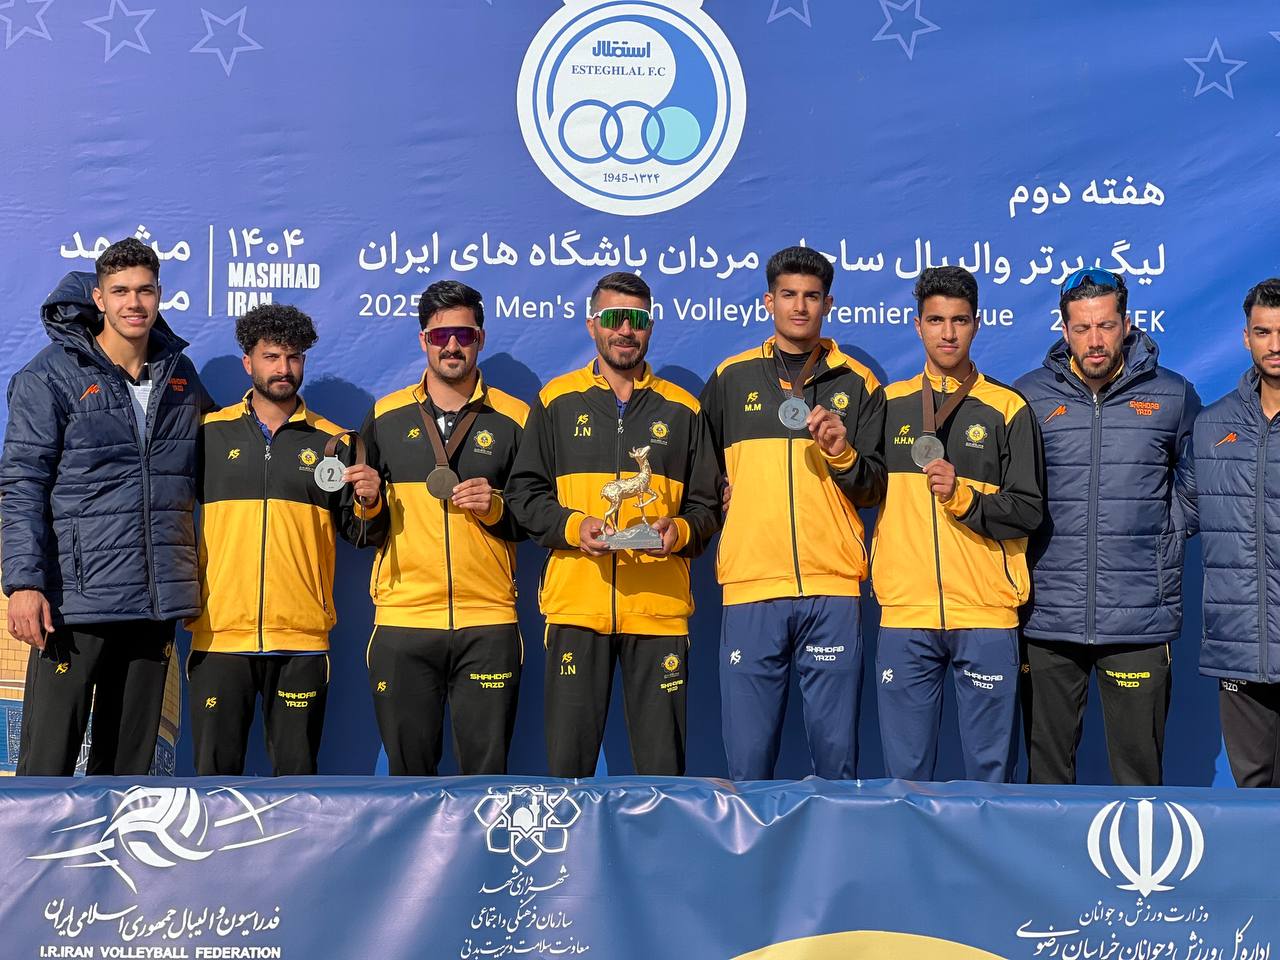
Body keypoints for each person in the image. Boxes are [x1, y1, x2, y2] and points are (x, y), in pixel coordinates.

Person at [1, 239, 210, 775]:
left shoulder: (180, 377)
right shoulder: (49, 375)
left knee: (126, 777)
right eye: (120, 291)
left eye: (144, 290)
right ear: (99, 298)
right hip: (73, 603)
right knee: (46, 769)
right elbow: (22, 484)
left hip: (153, 603)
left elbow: (216, 464)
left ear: (159, 295)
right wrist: (23, 584)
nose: (133, 303)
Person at [506, 271, 719, 778]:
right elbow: (523, 495)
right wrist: (573, 527)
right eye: (614, 318)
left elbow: (708, 505)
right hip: (577, 609)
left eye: (637, 320)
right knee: (569, 772)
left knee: (662, 773)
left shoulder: (684, 408)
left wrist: (680, 532)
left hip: (658, 613)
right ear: (592, 325)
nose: (626, 330)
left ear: (651, 327)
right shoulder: (556, 401)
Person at [700, 246, 886, 780]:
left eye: (811, 296)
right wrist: (720, 498)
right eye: (788, 295)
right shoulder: (731, 378)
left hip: (832, 587)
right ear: (769, 301)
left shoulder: (858, 382)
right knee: (748, 763)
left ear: (828, 303)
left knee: (836, 760)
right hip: (752, 584)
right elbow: (699, 476)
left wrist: (841, 454)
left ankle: (837, 839)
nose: (800, 307)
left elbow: (875, 487)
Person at [1015, 268, 1199, 785]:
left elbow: (1199, 480)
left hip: (1139, 617)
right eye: (1082, 328)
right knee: (1046, 778)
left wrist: (1165, 530)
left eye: (1106, 326)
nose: (1095, 341)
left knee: (1140, 778)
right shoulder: (1029, 396)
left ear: (1126, 324)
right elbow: (1013, 492)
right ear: (1064, 329)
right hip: (1048, 617)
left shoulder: (1172, 395)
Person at [186, 304, 381, 775]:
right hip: (219, 634)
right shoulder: (207, 434)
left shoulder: (334, 441)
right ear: (247, 363)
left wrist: (371, 501)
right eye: (271, 357)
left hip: (301, 638)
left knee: (296, 782)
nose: (283, 368)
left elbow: (360, 534)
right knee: (214, 782)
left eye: (293, 358)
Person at [872, 265, 1044, 782]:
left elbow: (1029, 510)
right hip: (906, 612)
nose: (948, 333)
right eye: (936, 320)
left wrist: (964, 497)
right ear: (918, 325)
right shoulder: (889, 404)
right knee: (904, 778)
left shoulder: (1008, 407)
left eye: (960, 320)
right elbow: (859, 486)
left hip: (986, 612)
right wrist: (834, 453)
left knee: (991, 777)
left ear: (976, 324)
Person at [360, 280, 528, 775]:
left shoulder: (516, 417)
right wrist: (369, 503)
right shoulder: (386, 416)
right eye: (439, 336)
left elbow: (537, 515)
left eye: (464, 334)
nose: (452, 345)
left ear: (481, 338)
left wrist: (495, 508)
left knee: (486, 782)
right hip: (404, 620)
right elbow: (357, 528)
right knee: (409, 782)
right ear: (423, 341)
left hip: (487, 621)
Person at [1177, 277, 1280, 787]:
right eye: (1263, 332)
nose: (1275, 344)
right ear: (1246, 337)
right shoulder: (1213, 424)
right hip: (1239, 648)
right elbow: (1180, 514)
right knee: (1254, 795)